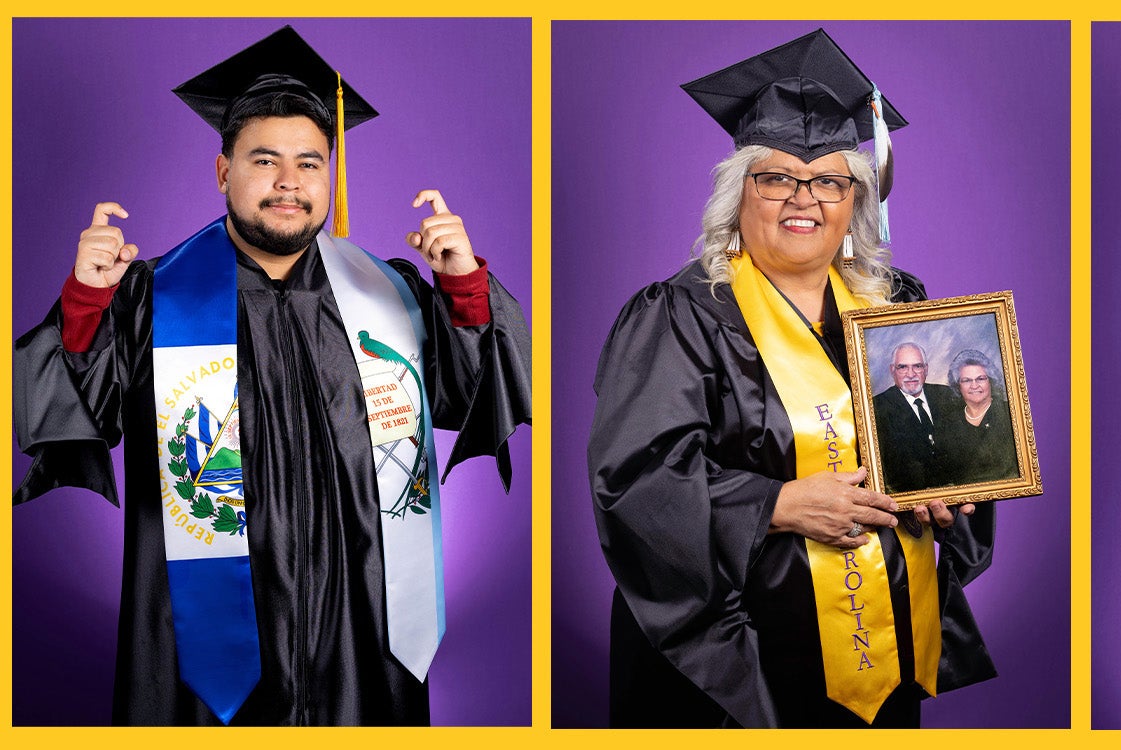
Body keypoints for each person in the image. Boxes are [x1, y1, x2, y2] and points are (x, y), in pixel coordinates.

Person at [12, 26, 530, 725]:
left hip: (362, 633)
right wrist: (84, 302)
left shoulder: (392, 293)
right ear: (223, 171)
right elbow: (61, 416)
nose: (290, 182)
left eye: (311, 163)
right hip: (203, 649)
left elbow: (471, 399)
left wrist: (464, 290)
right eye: (265, 159)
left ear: (331, 177)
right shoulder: (148, 295)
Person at [587, 29, 994, 729]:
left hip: (886, 631)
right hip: (739, 648)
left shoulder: (896, 304)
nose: (803, 197)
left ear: (856, 200)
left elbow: (942, 437)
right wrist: (774, 504)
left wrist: (949, 487)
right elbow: (636, 477)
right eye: (775, 177)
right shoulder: (681, 313)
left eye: (830, 180)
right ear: (737, 194)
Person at [871, 341, 962, 491]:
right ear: (892, 370)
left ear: (926, 369)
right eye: (903, 367)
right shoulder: (877, 408)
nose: (911, 374)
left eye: (917, 366)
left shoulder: (948, 395)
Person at [933, 348, 1020, 484]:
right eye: (966, 380)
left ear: (990, 381)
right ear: (958, 386)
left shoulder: (1011, 413)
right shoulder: (948, 424)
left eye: (980, 378)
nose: (974, 385)